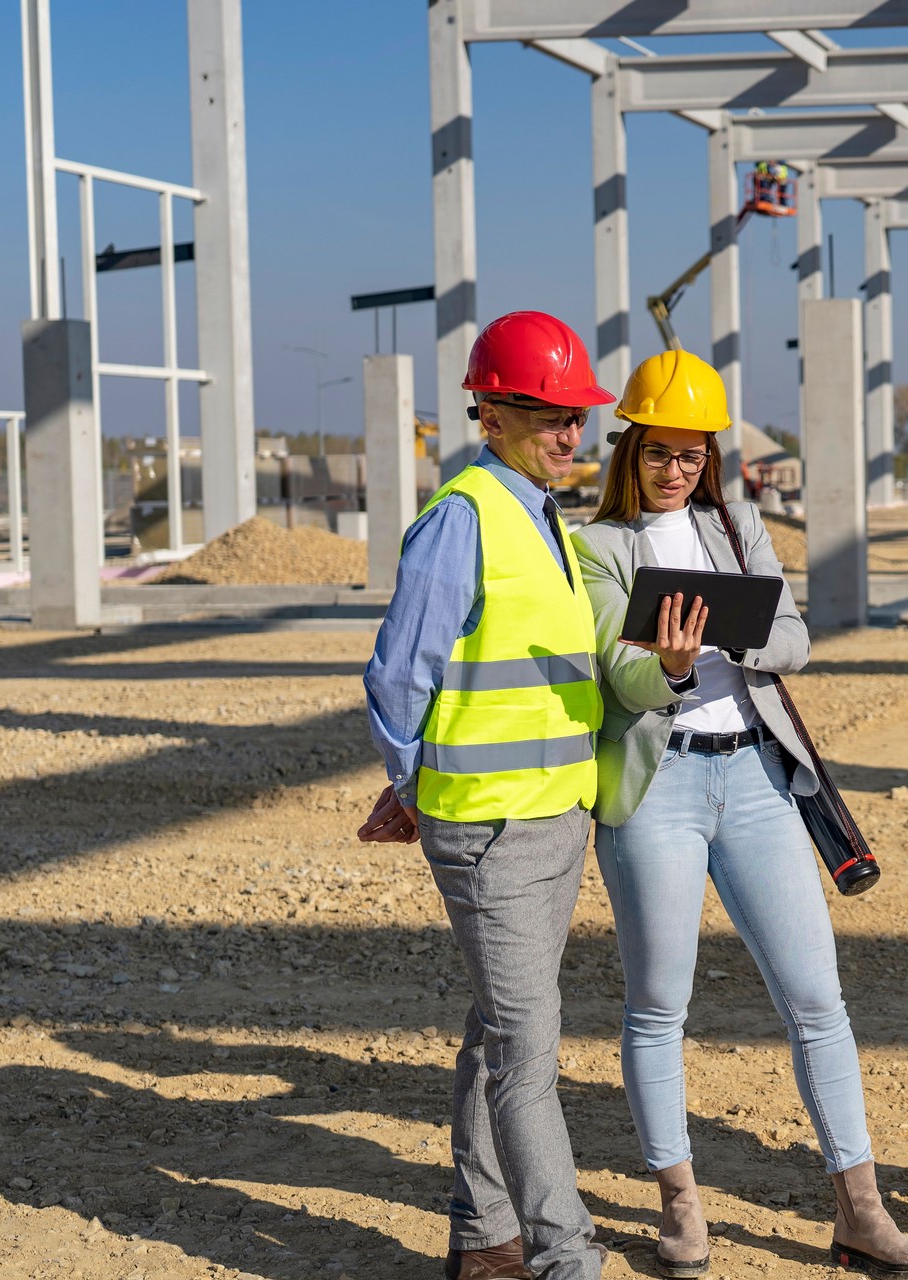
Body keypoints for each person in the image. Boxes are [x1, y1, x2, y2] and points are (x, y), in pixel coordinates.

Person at [571, 349, 908, 1280]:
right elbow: (621, 675)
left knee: (818, 1000)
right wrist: (678, 666)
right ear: (629, 448)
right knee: (659, 1007)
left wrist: (729, 632)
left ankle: (861, 1206)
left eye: (693, 456)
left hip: (757, 782)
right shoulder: (598, 546)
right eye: (660, 453)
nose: (676, 470)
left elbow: (796, 640)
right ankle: (681, 1206)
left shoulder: (737, 530)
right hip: (658, 789)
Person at [357, 310, 615, 1280]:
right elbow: (395, 677)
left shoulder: (544, 513)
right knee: (527, 1054)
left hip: (555, 815)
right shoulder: (461, 517)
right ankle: (565, 1257)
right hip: (492, 827)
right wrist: (413, 786)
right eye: (550, 413)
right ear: (493, 410)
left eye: (576, 415)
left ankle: (484, 1237)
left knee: (497, 1028)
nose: (569, 432)